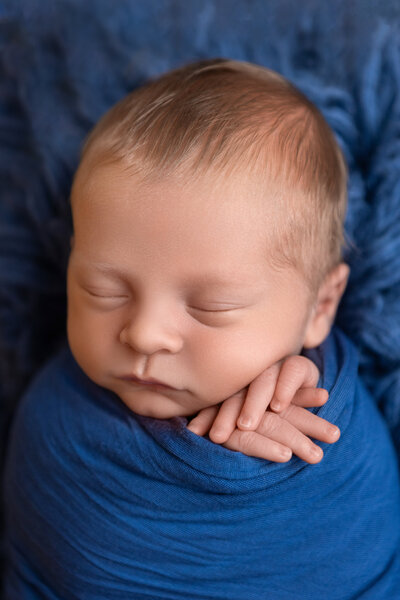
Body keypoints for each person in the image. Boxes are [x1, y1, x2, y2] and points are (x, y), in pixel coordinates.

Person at [3, 59, 400, 599]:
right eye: (104, 291)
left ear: (319, 307)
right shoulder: (63, 419)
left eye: (212, 307)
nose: (143, 335)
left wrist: (250, 469)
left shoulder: (335, 422)